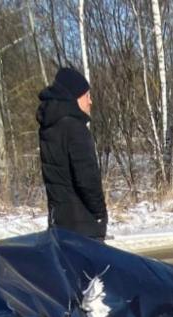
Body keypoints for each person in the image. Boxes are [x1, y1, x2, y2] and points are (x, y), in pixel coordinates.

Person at [37, 67, 108, 241]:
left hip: (59, 222)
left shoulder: (50, 126)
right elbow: (87, 179)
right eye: (87, 96)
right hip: (83, 225)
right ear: (74, 97)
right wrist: (99, 214)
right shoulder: (75, 128)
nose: (90, 102)